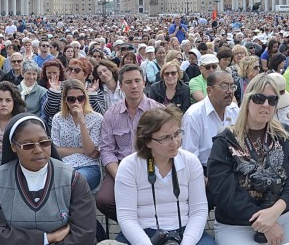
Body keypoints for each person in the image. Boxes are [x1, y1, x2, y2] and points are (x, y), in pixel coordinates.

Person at [208, 74, 289, 245]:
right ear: (248, 101)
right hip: (237, 223)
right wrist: (266, 224)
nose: (266, 104)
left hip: (284, 214)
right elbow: (223, 193)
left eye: (272, 100)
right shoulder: (225, 141)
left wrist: (276, 211)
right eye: (259, 98)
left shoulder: (284, 134)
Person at [0, 114, 97, 244]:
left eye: (44, 143)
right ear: (13, 147)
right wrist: (46, 238)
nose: (38, 150)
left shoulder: (73, 179)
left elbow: (84, 234)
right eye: (28, 145)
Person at [115, 106, 214, 245]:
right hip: (143, 233)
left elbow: (199, 211)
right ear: (147, 141)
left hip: (185, 232)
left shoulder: (191, 161)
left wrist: (187, 242)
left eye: (177, 134)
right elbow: (126, 218)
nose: (175, 142)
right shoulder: (129, 166)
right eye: (165, 138)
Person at [97, 64, 163, 221]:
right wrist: (120, 175)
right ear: (121, 86)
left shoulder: (158, 112)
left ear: (144, 82)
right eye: (128, 82)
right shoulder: (111, 115)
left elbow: (165, 147)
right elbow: (106, 150)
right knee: (104, 201)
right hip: (121, 166)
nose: (134, 86)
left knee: (155, 198)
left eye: (137, 81)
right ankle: (131, 223)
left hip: (151, 164)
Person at [182, 70, 240, 173]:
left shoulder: (234, 110)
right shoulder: (194, 115)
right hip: (205, 172)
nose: (230, 91)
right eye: (224, 86)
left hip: (234, 168)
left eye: (232, 87)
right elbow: (189, 156)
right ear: (209, 90)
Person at [51, 79, 103, 189]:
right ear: (65, 100)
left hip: (88, 166)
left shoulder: (96, 118)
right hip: (63, 166)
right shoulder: (58, 118)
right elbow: (56, 151)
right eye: (71, 99)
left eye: (80, 98)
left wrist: (82, 122)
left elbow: (91, 152)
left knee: (75, 181)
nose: (76, 103)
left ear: (85, 98)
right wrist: (82, 150)